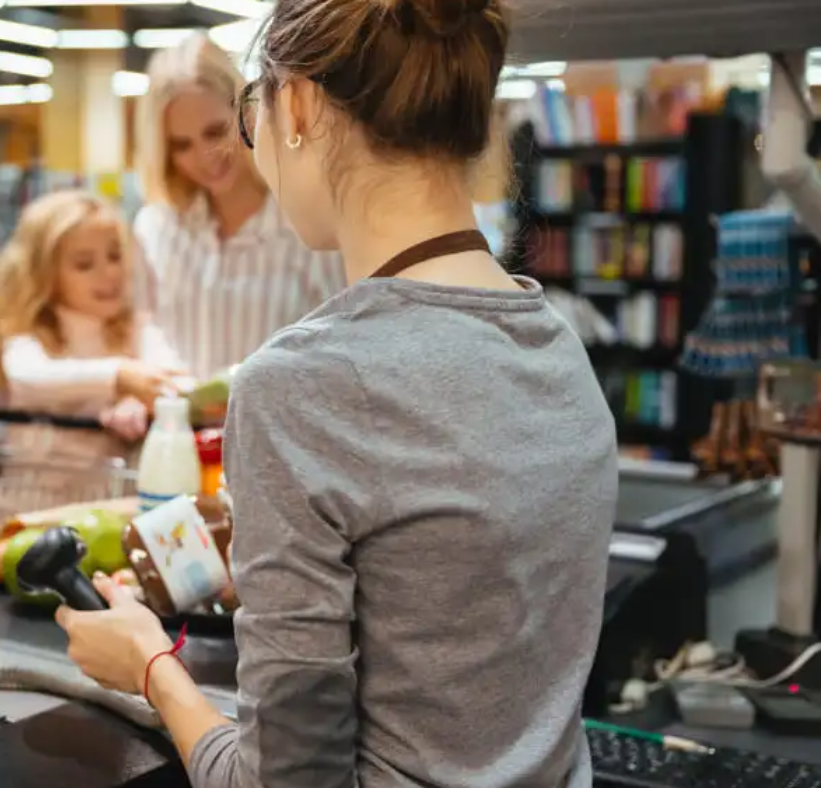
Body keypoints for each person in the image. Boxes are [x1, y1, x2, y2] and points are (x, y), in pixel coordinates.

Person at [55, 1, 616, 787]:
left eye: (250, 109)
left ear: (301, 106)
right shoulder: (559, 344)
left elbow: (283, 781)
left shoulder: (297, 387)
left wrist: (150, 667)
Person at [132, 34, 346, 381]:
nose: (205, 157)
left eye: (215, 132)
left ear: (248, 111)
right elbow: (142, 322)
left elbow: (341, 341)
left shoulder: (307, 223)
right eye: (182, 145)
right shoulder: (155, 227)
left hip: (278, 429)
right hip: (179, 429)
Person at [0, 190, 183, 531]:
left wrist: (141, 401)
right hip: (29, 516)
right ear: (44, 274)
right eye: (85, 264)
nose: (108, 274)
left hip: (109, 519)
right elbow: (29, 378)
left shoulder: (136, 328)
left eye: (115, 256)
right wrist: (120, 377)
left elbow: (178, 380)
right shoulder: (30, 332)